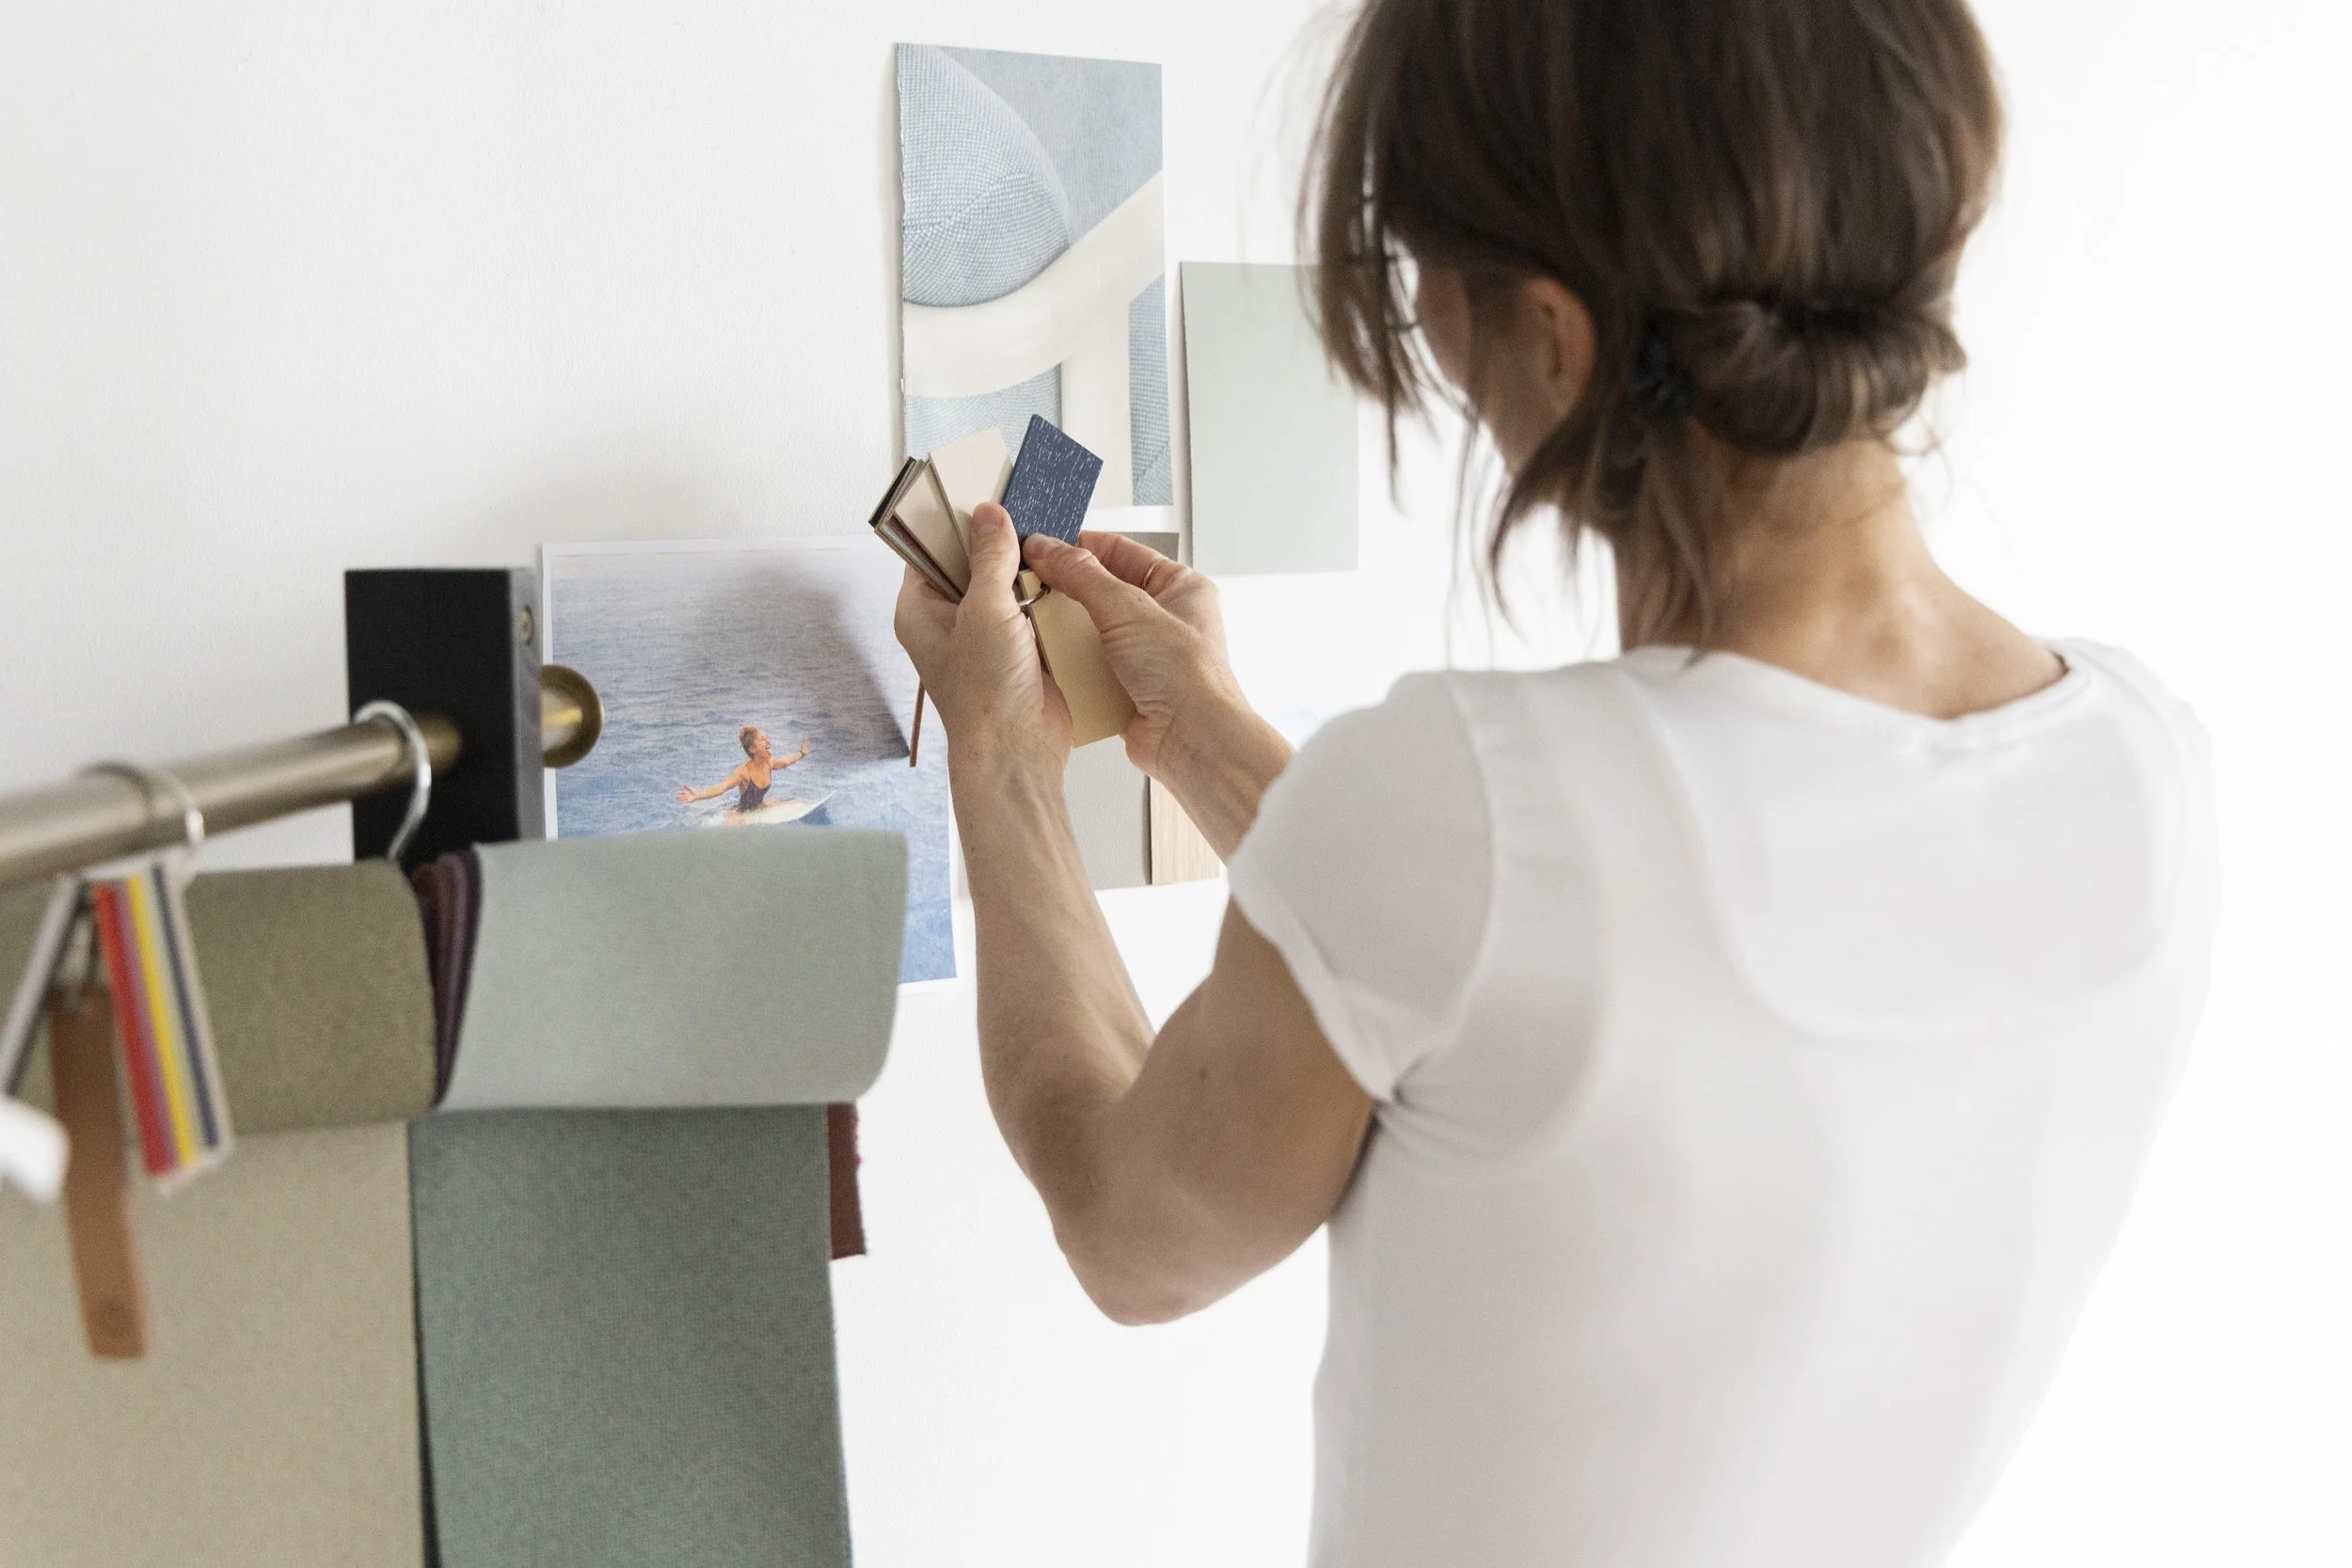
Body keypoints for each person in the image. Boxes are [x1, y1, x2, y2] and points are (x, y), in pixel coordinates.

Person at [895, 0, 2218, 1562]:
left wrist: (1001, 759)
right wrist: (1198, 736)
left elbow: (1133, 1231)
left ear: (1552, 335)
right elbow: (1544, 971)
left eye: (1425, 288)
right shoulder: (2139, 768)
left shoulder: (1465, 808)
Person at [675, 725, 811, 819]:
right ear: (752, 749)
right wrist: (698, 795)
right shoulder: (744, 772)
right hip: (740, 812)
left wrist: (802, 753)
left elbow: (787, 762)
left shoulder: (770, 762)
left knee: (797, 803)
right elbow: (722, 787)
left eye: (767, 737)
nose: (768, 741)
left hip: (759, 806)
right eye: (763, 739)